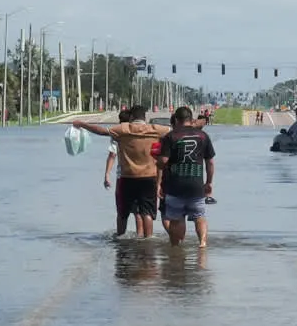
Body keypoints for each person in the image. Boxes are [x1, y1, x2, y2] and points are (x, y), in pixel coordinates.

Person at [73, 102, 166, 238]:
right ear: (144, 117)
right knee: (147, 213)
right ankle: (148, 240)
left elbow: (101, 131)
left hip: (127, 177)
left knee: (123, 212)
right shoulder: (156, 130)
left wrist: (83, 124)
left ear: (132, 117)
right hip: (149, 177)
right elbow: (176, 131)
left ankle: (120, 238)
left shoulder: (123, 130)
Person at [157, 105, 219, 245]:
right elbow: (210, 163)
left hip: (175, 186)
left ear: (177, 120)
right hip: (196, 186)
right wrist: (209, 182)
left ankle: (176, 247)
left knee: (177, 218)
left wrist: (158, 162)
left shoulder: (170, 137)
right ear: (191, 120)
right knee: (199, 216)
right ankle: (202, 243)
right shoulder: (203, 136)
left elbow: (163, 161)